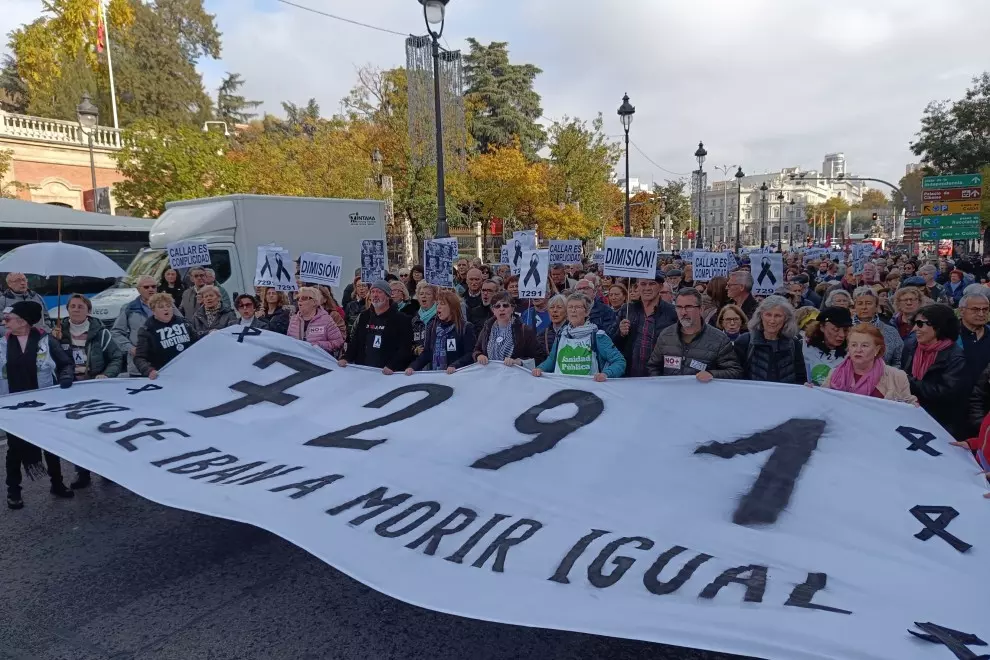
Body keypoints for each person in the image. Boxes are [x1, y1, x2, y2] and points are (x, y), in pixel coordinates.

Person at [2, 301, 75, 509]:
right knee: (15, 449)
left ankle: (57, 483)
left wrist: (66, 377)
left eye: (9, 319)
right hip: (14, 406)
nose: (4, 322)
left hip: (44, 404)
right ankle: (13, 491)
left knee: (50, 446)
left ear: (23, 322)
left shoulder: (46, 341)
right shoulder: (3, 343)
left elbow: (65, 363)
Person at [647, 288, 742, 381]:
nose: (683, 312)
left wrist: (712, 374)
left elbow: (735, 371)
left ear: (701, 309)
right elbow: (653, 366)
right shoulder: (666, 336)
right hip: (670, 394)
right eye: (679, 307)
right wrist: (660, 385)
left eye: (689, 307)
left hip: (702, 395)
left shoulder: (719, 339)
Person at [900, 304, 965, 434]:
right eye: (915, 323)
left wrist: (907, 381)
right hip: (910, 414)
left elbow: (944, 393)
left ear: (939, 326)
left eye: (920, 324)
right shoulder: (911, 346)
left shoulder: (956, 357)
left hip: (940, 423)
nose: (915, 329)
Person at [533, 292, 625, 381]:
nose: (573, 310)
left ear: (587, 312)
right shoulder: (561, 335)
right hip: (564, 390)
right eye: (570, 307)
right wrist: (540, 369)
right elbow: (552, 360)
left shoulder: (597, 336)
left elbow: (620, 362)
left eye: (578, 307)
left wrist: (606, 374)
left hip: (589, 392)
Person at [823, 324, 917, 404]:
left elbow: (907, 406)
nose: (858, 350)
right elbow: (822, 402)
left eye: (864, 345)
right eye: (854, 345)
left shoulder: (897, 377)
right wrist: (811, 391)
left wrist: (913, 405)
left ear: (877, 349)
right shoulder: (834, 374)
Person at [610, 273, 678, 377]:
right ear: (638, 286)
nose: (647, 288)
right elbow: (612, 343)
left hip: (659, 375)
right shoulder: (627, 310)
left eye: (652, 284)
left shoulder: (673, 312)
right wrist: (621, 333)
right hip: (630, 374)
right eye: (643, 284)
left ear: (660, 287)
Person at [339, 280, 413, 374]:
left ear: (387, 296)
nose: (375, 295)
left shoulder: (401, 319)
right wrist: (346, 358)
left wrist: (392, 366)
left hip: (387, 373)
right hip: (364, 370)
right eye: (373, 292)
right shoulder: (364, 317)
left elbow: (405, 349)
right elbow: (355, 342)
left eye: (379, 292)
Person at [733, 296, 807, 384]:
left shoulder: (794, 343)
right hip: (752, 395)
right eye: (768, 315)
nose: (772, 321)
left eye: (778, 316)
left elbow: (801, 377)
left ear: (786, 318)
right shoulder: (745, 341)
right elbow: (736, 375)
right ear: (761, 316)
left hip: (785, 396)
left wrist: (805, 385)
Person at [112, 276, 172, 376]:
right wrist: (131, 349)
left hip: (166, 363)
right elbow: (116, 332)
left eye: (153, 286)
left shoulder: (169, 306)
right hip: (139, 366)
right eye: (146, 287)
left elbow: (182, 324)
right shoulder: (129, 308)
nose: (151, 289)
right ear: (138, 289)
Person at [406, 290, 476, 374]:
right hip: (437, 376)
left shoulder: (466, 327)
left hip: (458, 375)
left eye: (442, 304)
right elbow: (427, 353)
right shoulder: (432, 327)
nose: (438, 307)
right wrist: (412, 367)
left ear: (452, 308)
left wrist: (455, 365)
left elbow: (470, 354)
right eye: (437, 304)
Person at [133, 293, 199, 380]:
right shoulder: (147, 330)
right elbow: (139, 357)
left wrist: (208, 333)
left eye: (168, 306)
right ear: (153, 310)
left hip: (189, 372)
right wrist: (149, 370)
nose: (166, 309)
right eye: (161, 307)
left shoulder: (183, 322)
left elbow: (197, 341)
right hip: (165, 376)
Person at [473, 291, 542, 367]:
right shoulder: (487, 328)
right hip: (490, 374)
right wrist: (479, 356)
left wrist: (518, 362)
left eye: (505, 306)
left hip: (513, 375)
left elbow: (538, 357)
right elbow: (477, 349)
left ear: (512, 309)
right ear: (493, 310)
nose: (501, 309)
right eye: (497, 306)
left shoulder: (525, 330)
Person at [851, 286, 902, 367]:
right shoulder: (845, 330)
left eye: (868, 303)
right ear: (854, 306)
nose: (864, 307)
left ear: (876, 306)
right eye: (860, 304)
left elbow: (898, 361)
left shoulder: (890, 331)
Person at [288, 286, 345, 356]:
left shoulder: (326, 320)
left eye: (304, 298)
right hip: (298, 360)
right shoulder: (293, 320)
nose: (300, 300)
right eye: (298, 298)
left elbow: (338, 342)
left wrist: (319, 345)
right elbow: (289, 341)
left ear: (314, 302)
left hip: (318, 361)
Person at [803, 306, 851, 386]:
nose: (842, 335)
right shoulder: (804, 347)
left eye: (845, 330)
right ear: (822, 327)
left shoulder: (852, 352)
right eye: (836, 330)